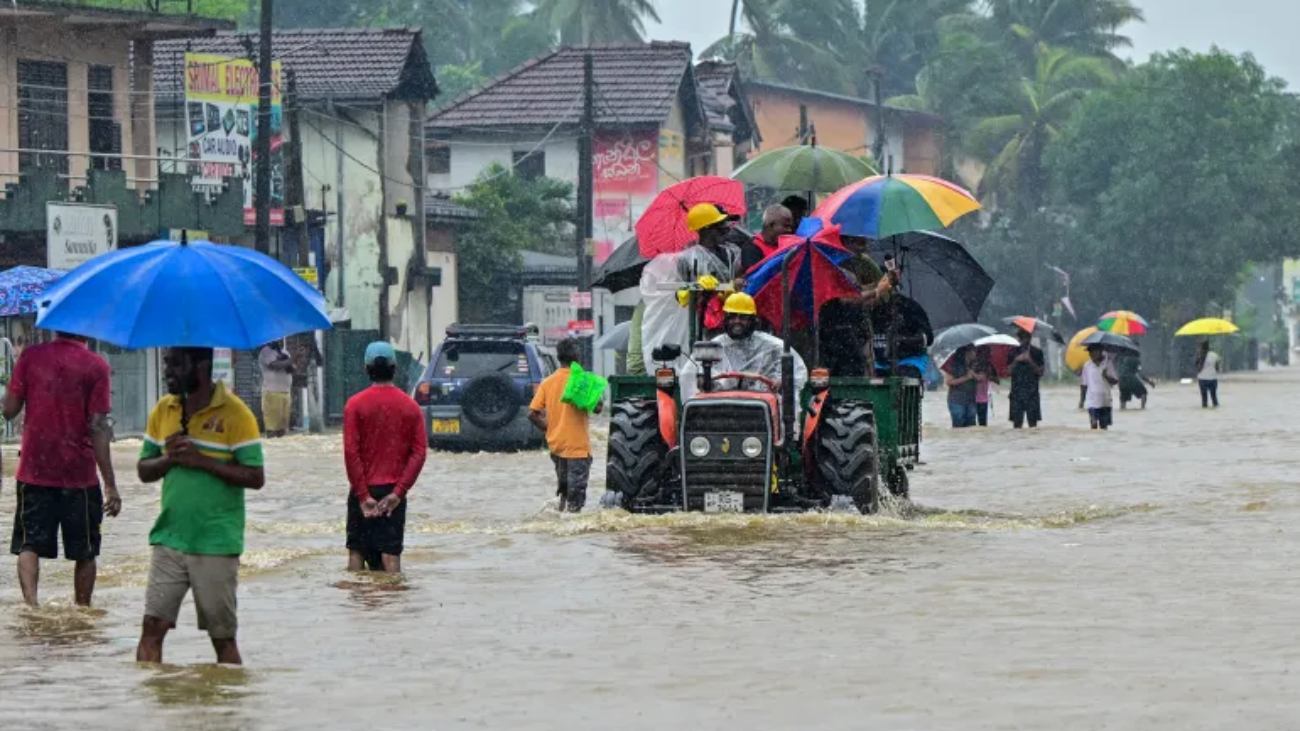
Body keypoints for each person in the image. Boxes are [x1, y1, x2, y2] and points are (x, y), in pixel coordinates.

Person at [136, 347, 265, 665]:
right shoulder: (164, 410)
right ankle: (153, 709)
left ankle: (225, 710)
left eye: (176, 364)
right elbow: (143, 470)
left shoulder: (236, 414)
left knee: (222, 639)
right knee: (152, 628)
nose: (168, 370)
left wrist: (201, 460)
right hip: (168, 538)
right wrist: (170, 458)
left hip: (215, 542)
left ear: (202, 366)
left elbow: (255, 476)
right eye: (167, 363)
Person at [3, 332, 120, 607]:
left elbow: (8, 410)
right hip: (79, 475)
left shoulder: (31, 357)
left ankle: (31, 609)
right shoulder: (96, 366)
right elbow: (98, 427)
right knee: (85, 551)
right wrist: (110, 485)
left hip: (34, 470)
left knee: (29, 544)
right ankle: (82, 612)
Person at [342, 342, 427, 572]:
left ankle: (356, 606)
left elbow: (351, 453)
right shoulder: (411, 407)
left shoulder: (354, 405)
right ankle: (393, 607)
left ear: (367, 369)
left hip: (363, 490)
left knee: (357, 553)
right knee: (391, 557)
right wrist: (398, 493)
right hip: (393, 492)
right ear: (394, 369)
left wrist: (362, 496)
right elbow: (419, 454)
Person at [680, 293, 808, 402]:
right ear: (725, 319)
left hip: (762, 406)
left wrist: (781, 381)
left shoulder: (773, 346)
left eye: (743, 317)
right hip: (721, 408)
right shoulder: (713, 347)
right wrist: (701, 381)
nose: (737, 321)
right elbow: (689, 375)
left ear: (753, 321)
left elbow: (797, 372)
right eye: (733, 316)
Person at [529, 339, 602, 513]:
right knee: (576, 501)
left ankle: (559, 524)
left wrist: (549, 428)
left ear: (559, 357)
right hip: (577, 448)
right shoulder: (582, 380)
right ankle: (571, 536)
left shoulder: (547, 382)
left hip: (556, 446)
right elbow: (598, 408)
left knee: (564, 491)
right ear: (576, 356)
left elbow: (532, 413)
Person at [1008, 327, 1045, 429]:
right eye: (1022, 337)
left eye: (1027, 337)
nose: (1025, 340)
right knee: (1017, 425)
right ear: (1019, 338)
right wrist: (1016, 360)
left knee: (1033, 426)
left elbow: (1041, 372)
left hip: (1032, 393)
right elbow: (1007, 372)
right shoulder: (1012, 352)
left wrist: (1030, 361)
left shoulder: (1037, 352)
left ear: (1030, 338)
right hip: (1016, 393)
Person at [739, 204, 793, 274]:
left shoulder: (788, 245)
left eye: (790, 226)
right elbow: (755, 278)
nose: (790, 230)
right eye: (786, 226)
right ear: (772, 225)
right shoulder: (752, 247)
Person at [259, 340, 294, 438]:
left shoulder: (284, 352)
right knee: (272, 430)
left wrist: (294, 359)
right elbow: (276, 366)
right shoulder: (266, 351)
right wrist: (294, 358)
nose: (279, 340)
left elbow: (292, 369)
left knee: (282, 431)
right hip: (272, 393)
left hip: (286, 393)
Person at [1082, 346, 1119, 430]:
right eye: (1089, 352)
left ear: (1101, 351)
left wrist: (1106, 376)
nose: (1091, 354)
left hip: (1105, 401)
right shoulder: (1087, 365)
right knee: (1093, 423)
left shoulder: (1108, 364)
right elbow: (1084, 384)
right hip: (1092, 401)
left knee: (1103, 428)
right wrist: (1082, 400)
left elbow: (1115, 381)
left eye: (1094, 352)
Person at [944, 346, 978, 428]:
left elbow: (982, 378)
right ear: (967, 352)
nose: (975, 353)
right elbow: (948, 382)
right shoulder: (954, 365)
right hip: (957, 401)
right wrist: (966, 377)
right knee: (958, 428)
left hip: (971, 400)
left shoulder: (974, 365)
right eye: (974, 351)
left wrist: (975, 375)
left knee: (971, 428)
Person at [973, 345, 999, 426]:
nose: (989, 354)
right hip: (971, 398)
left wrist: (989, 375)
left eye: (989, 353)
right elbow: (970, 379)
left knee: (982, 424)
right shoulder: (972, 364)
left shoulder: (989, 365)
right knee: (973, 424)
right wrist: (977, 376)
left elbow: (997, 381)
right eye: (987, 352)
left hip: (983, 399)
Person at [1195, 340, 1220, 408]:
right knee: (1214, 398)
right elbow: (1217, 368)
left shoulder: (1199, 355)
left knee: (1204, 400)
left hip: (1202, 379)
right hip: (1213, 379)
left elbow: (1196, 367)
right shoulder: (1214, 355)